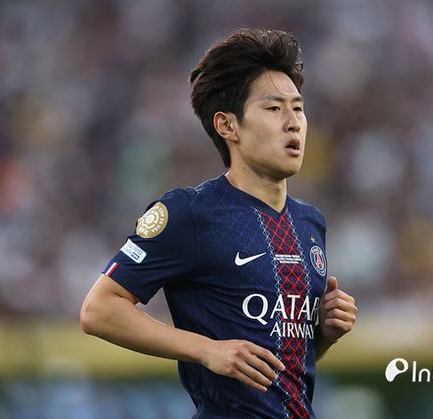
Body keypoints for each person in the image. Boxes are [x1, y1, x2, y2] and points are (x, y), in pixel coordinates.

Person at [80, 28, 357, 418]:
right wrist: (207, 350)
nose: (293, 122)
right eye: (274, 109)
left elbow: (283, 367)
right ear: (228, 126)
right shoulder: (191, 213)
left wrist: (323, 335)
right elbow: (98, 310)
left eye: (298, 108)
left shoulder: (310, 222)